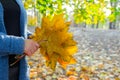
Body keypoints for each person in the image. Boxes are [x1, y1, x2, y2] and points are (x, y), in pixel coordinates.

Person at [0, 0, 39, 80]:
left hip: (19, 71)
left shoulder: (18, 1)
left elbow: (15, 27)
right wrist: (21, 44)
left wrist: (31, 37)